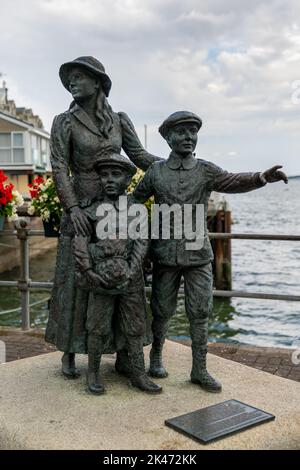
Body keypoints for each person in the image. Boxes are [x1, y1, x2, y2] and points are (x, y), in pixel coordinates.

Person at [132, 110, 288, 393]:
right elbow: (135, 201)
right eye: (181, 132)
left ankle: (199, 369)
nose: (188, 137)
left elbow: (232, 181)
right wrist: (134, 237)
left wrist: (261, 177)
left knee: (200, 311)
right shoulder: (155, 172)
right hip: (164, 254)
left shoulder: (205, 170)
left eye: (192, 131)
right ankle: (155, 358)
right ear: (167, 137)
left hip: (198, 255)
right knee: (161, 310)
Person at [45, 57, 161, 378]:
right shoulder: (64, 122)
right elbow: (59, 167)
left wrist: (176, 165)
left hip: (116, 210)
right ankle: (68, 348)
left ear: (98, 82)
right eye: (69, 78)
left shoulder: (120, 121)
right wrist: (72, 209)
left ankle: (125, 352)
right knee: (74, 280)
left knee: (122, 276)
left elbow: (140, 157)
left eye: (79, 77)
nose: (72, 82)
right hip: (81, 211)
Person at [73, 153, 162, 394]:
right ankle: (93, 372)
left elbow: (142, 242)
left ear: (127, 179)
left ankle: (138, 372)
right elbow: (80, 242)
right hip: (99, 280)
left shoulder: (135, 210)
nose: (109, 179)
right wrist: (90, 271)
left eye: (116, 174)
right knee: (97, 326)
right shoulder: (90, 210)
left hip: (130, 280)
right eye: (104, 174)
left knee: (135, 325)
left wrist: (131, 270)